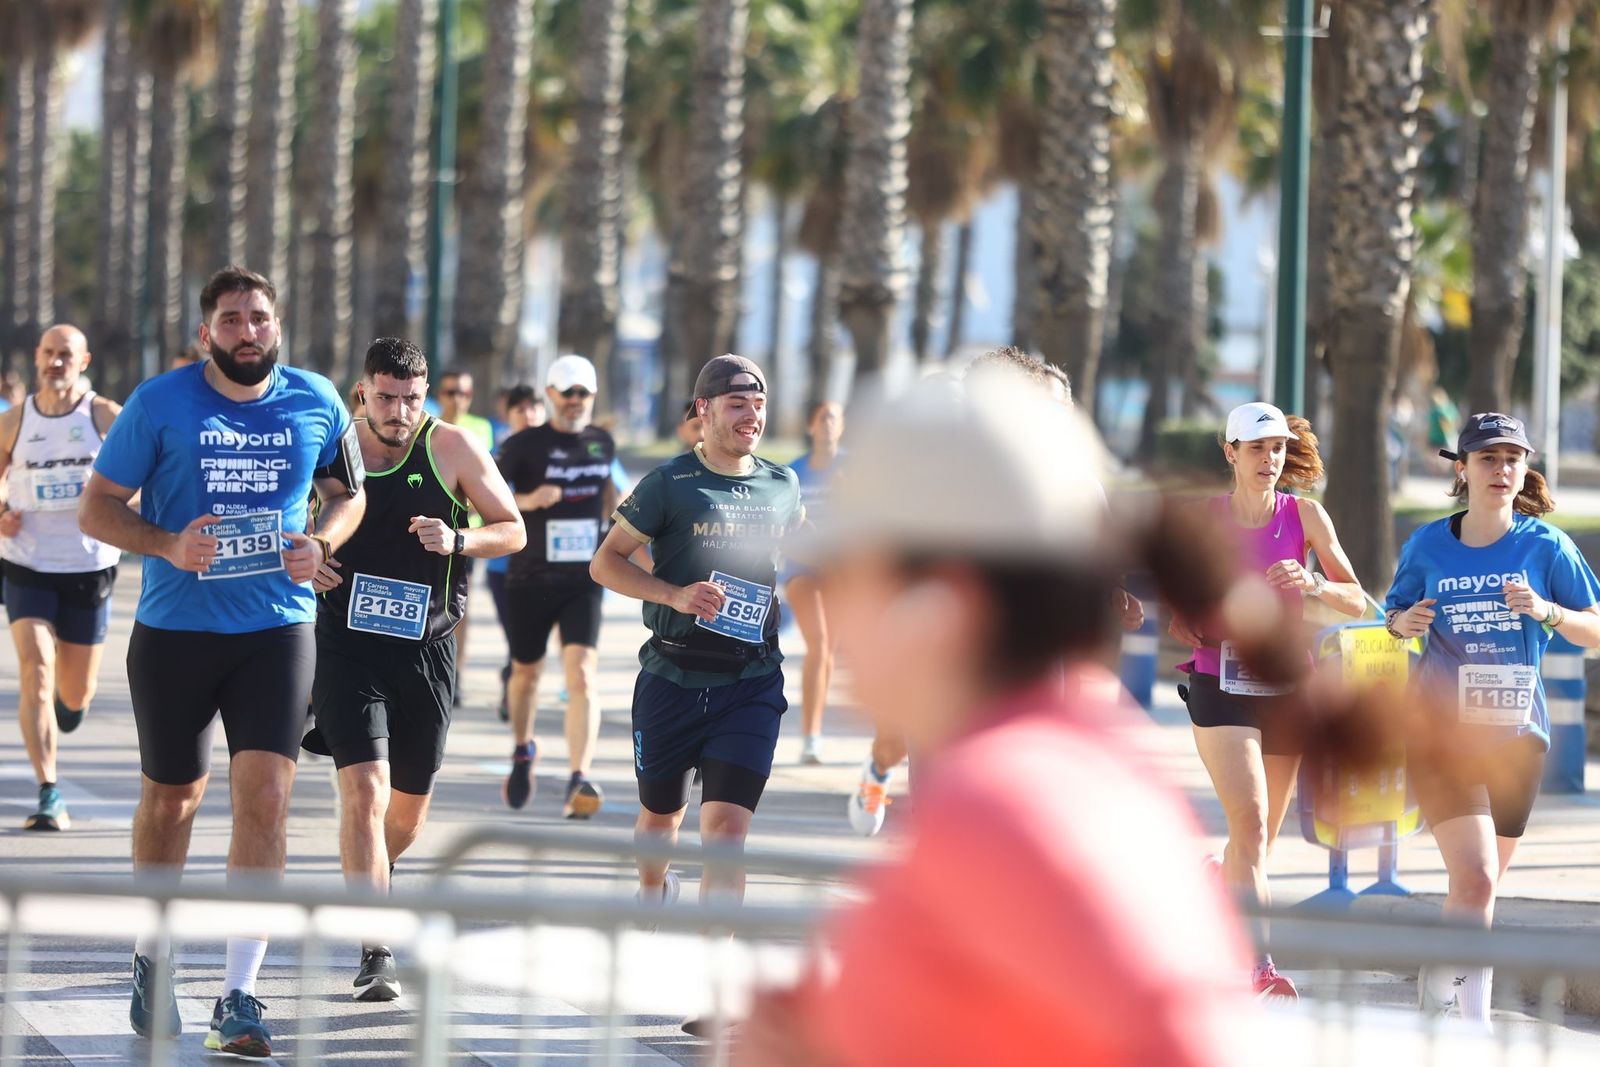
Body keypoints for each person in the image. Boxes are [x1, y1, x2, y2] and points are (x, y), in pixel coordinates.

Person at [734, 379, 1255, 1067]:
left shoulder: (996, 802)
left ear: (939, 601)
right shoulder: (1078, 755)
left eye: (852, 576)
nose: (835, 613)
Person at [79, 266, 366, 1057]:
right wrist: (168, 542)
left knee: (267, 795)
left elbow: (350, 491)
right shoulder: (160, 402)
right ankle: (153, 951)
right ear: (207, 331)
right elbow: (95, 506)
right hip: (174, 630)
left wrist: (324, 539)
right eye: (232, 319)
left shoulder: (316, 398)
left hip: (277, 626)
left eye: (260, 318)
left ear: (278, 325)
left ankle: (239, 993)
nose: (248, 331)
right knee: (172, 802)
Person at [308, 338, 524, 1001]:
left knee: (404, 816)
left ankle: (370, 871)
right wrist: (309, 553)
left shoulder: (452, 447)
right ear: (362, 395)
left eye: (411, 397)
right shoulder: (332, 445)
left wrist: (460, 539)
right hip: (345, 644)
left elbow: (511, 528)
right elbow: (289, 512)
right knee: (365, 796)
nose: (400, 410)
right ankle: (377, 948)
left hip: (427, 649)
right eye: (387, 397)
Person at [1386, 412, 1600, 1029]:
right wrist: (1403, 625)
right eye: (1487, 458)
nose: (1501, 469)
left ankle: (1441, 980)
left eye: (1512, 459)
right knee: (1476, 876)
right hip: (1442, 735)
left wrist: (1548, 611)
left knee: (1478, 889)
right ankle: (1467, 1029)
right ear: (1463, 470)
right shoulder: (1428, 543)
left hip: (1515, 739)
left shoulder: (1546, 546)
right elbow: (1393, 614)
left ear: (1523, 469)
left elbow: (1594, 627)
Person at [1169, 402, 1365, 1001]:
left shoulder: (1306, 516)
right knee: (1250, 822)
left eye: (1277, 448)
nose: (1270, 460)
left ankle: (1214, 881)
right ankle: (1257, 966)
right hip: (1219, 683)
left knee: (1257, 842)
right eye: (1256, 449)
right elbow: (1179, 618)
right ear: (1230, 453)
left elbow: (1360, 601)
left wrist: (1314, 583)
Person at [591, 355, 802, 905]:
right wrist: (675, 595)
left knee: (727, 837)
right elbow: (605, 563)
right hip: (672, 677)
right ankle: (653, 889)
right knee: (661, 821)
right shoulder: (669, 484)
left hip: (750, 682)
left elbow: (800, 546)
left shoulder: (783, 484)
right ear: (703, 410)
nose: (751, 416)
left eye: (758, 406)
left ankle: (718, 979)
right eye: (737, 405)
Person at [0, 325, 122, 831]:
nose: (55, 362)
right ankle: (49, 789)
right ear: (37, 357)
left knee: (75, 693)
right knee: (37, 668)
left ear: (84, 359)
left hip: (89, 565)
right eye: (48, 353)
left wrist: (126, 509)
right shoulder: (13, 422)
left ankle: (67, 708)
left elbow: (141, 483)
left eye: (65, 354)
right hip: (26, 562)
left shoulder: (105, 417)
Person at [497, 355, 619, 817]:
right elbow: (485, 496)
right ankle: (524, 747)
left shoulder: (602, 443)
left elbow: (609, 490)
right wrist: (528, 500)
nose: (574, 402)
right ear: (549, 394)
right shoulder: (523, 444)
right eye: (565, 393)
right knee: (526, 673)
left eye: (582, 393)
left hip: (583, 579)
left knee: (583, 674)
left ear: (592, 398)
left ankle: (578, 776)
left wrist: (622, 514)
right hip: (529, 578)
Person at [784, 401, 843, 765]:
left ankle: (814, 729)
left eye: (835, 418)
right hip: (801, 568)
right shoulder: (794, 472)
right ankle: (810, 737)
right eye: (822, 417)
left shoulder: (857, 468)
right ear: (810, 426)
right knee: (818, 646)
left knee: (829, 653)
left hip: (841, 571)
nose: (828, 424)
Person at [486, 383, 547, 721]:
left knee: (534, 642)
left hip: (553, 566)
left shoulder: (566, 446)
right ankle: (514, 682)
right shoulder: (501, 453)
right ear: (506, 414)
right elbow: (486, 503)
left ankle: (517, 678)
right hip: (506, 567)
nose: (529, 414)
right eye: (520, 408)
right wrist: (529, 500)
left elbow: (611, 487)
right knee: (518, 637)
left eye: (534, 406)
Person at [436, 368, 495, 702]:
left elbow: (489, 477)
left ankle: (456, 675)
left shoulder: (481, 428)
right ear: (438, 394)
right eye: (450, 392)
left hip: (465, 532)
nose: (457, 398)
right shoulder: (427, 423)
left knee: (461, 605)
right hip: (430, 530)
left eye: (463, 393)